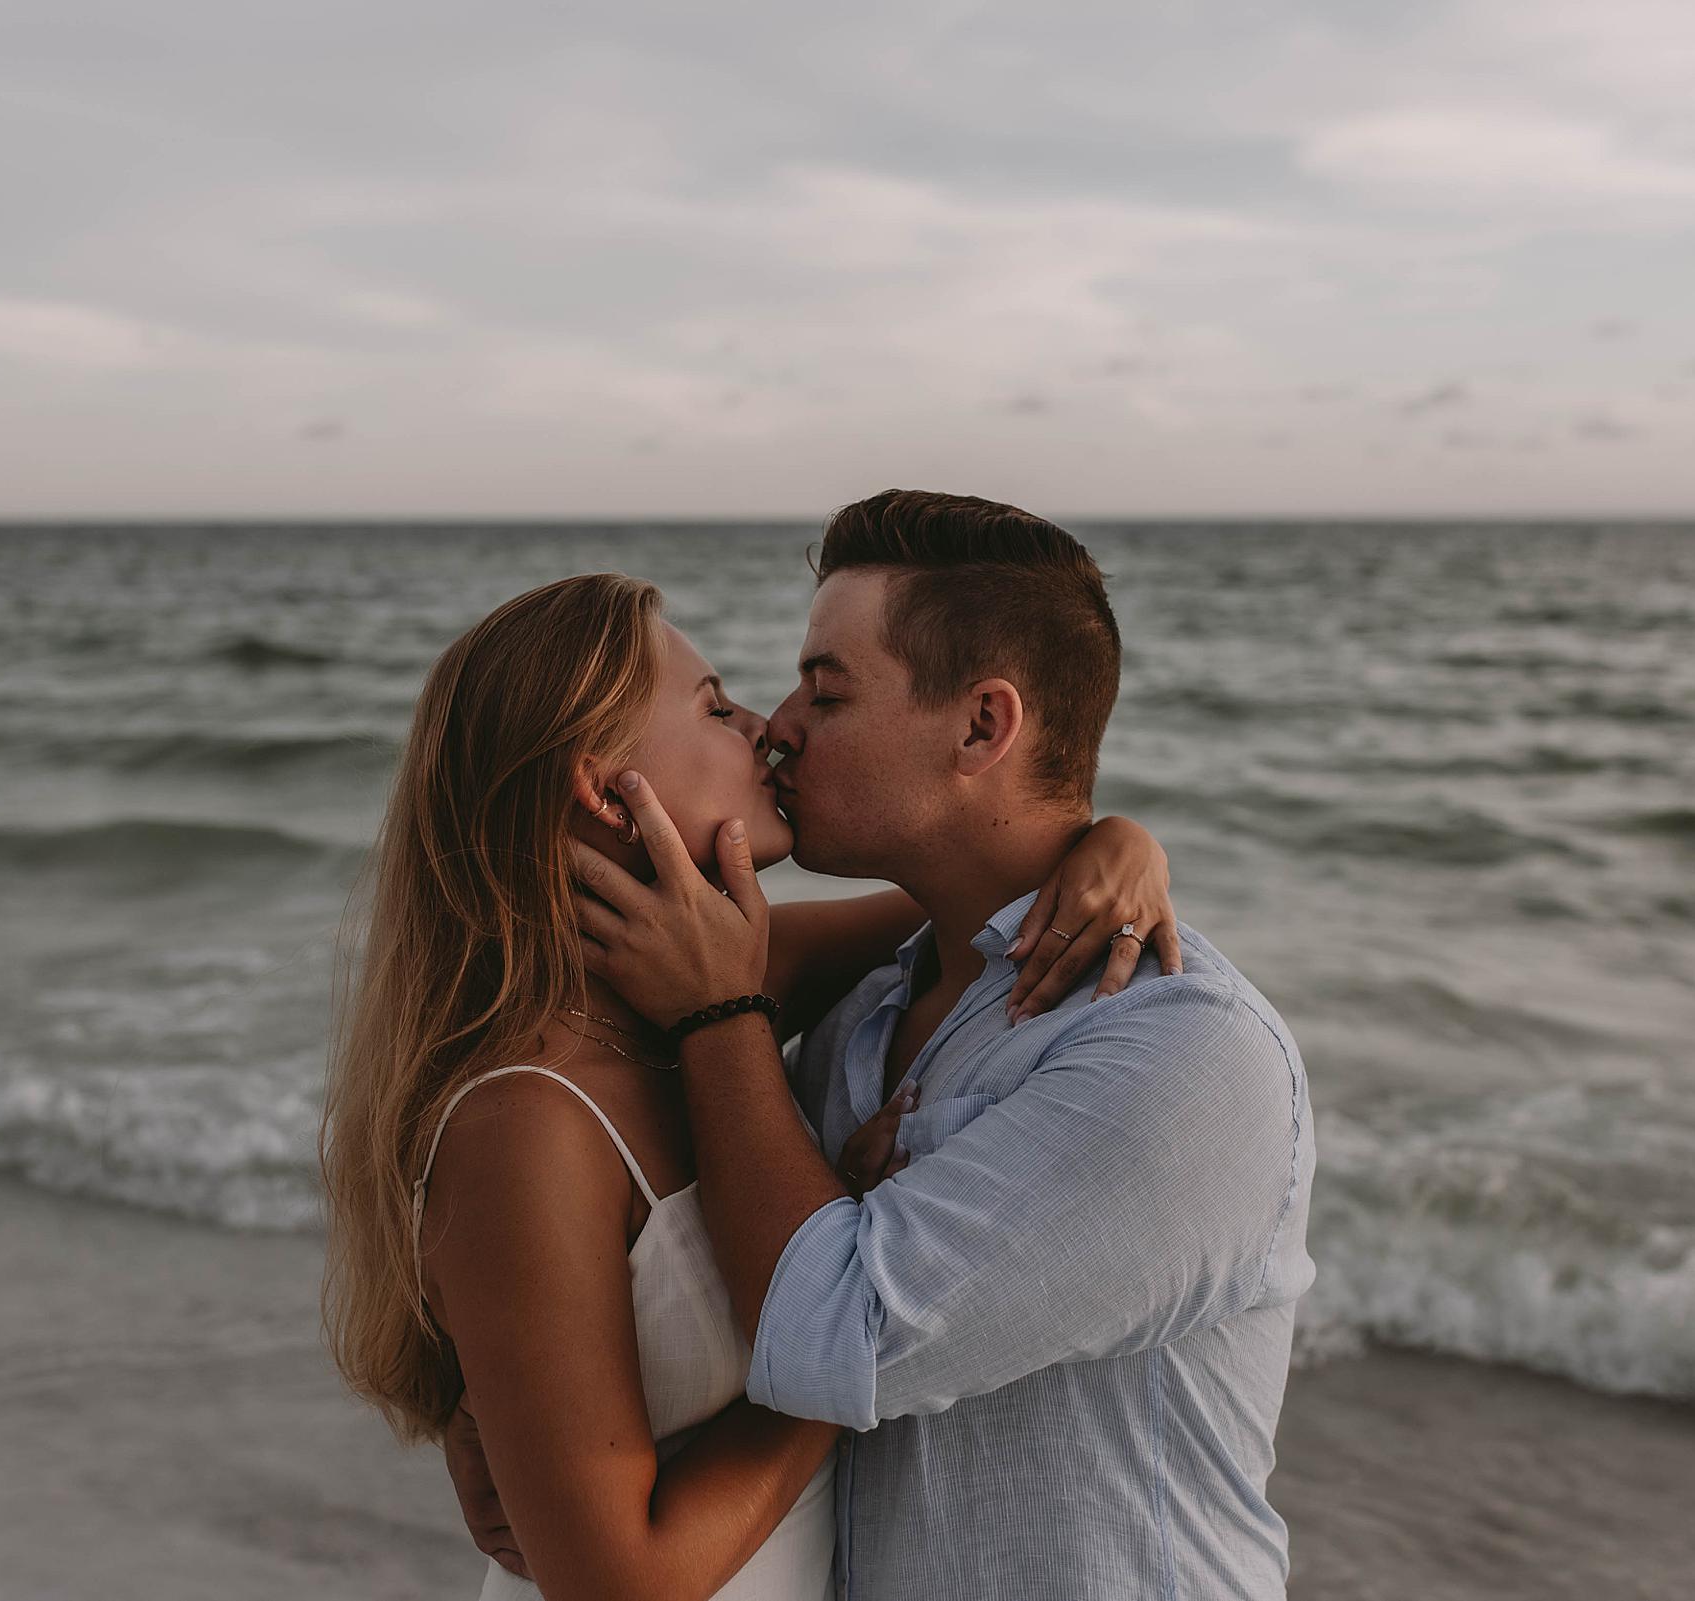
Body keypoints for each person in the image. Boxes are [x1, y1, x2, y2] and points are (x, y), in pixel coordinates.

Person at [318, 569, 1183, 1601]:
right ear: (603, 789)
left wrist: (1119, 843)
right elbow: (619, 1582)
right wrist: (858, 1319)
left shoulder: (697, 990)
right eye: (715, 704)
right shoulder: (526, 1119)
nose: (763, 731)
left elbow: (967, 914)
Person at [554, 490, 1318, 1597]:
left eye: (828, 689)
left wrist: (721, 1020)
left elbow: (823, 1335)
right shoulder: (864, 1011)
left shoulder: (1183, 1051)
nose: (778, 723)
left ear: (981, 727)